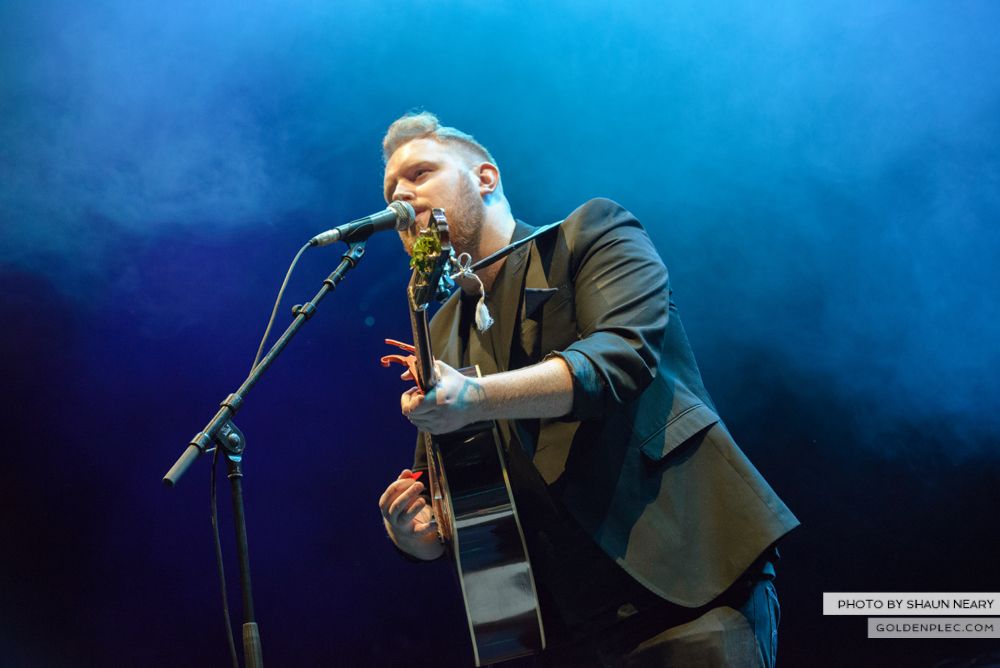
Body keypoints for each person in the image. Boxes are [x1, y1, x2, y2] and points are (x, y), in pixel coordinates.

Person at [377, 111, 799, 667]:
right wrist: (422, 533)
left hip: (685, 579)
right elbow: (460, 487)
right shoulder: (439, 330)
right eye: (390, 190)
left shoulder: (590, 232)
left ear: (485, 177)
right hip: (564, 631)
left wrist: (477, 396)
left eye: (419, 173)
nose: (400, 198)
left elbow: (621, 356)